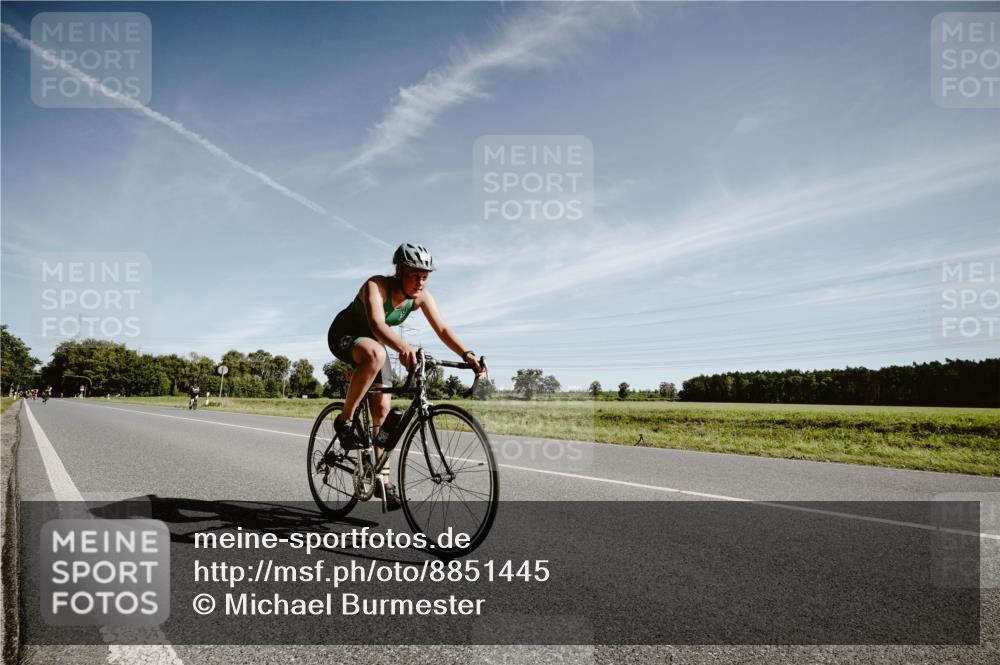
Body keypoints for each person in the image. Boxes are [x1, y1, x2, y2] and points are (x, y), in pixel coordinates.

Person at [327, 243, 482, 510]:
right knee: (376, 353)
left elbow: (442, 328)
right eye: (415, 275)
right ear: (398, 271)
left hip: (376, 345)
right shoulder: (376, 285)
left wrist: (467, 353)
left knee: (383, 409)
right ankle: (345, 420)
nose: (421, 282)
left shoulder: (420, 297)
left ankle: (381, 480)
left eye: (425, 276)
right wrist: (403, 347)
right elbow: (377, 324)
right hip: (345, 334)